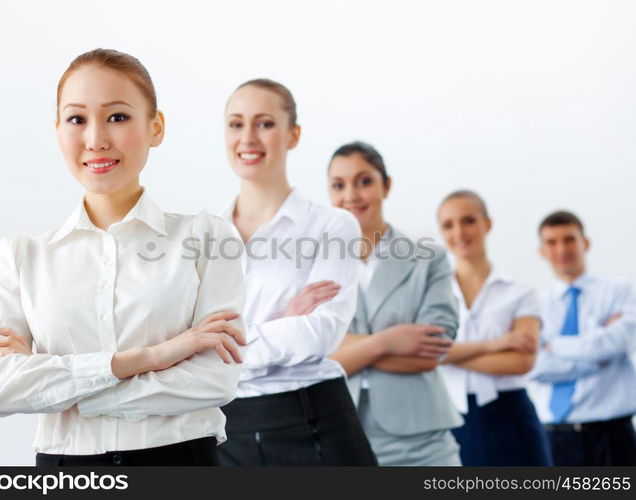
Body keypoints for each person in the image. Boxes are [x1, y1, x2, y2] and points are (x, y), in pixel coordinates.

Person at [0, 48, 247, 466]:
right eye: (77, 119)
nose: (96, 139)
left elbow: (214, 380)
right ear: (58, 129)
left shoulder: (205, 238)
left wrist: (66, 387)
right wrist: (151, 357)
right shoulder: (22, 257)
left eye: (117, 116)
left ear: (156, 127)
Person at [217, 80, 377, 466]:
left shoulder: (332, 225)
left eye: (265, 123)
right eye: (236, 124)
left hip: (313, 419)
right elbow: (181, 341)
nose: (248, 137)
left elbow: (320, 333)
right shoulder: (202, 234)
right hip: (226, 429)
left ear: (294, 134)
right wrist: (281, 324)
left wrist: (222, 347)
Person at [328, 141, 463, 466]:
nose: (351, 195)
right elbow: (308, 355)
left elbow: (433, 349)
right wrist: (390, 341)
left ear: (386, 185)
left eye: (364, 181)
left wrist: (343, 349)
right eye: (338, 185)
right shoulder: (315, 263)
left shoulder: (428, 259)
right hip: (340, 434)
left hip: (421, 445)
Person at [437, 190, 552, 465]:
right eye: (448, 225)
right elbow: (423, 354)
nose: (459, 232)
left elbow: (521, 361)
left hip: (511, 417)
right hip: (450, 419)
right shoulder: (432, 294)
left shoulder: (520, 293)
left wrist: (449, 355)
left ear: (487, 224)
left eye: (468, 221)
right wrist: (496, 344)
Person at [529, 210, 636, 466]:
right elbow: (534, 365)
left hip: (613, 436)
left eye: (569, 239)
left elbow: (620, 341)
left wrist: (552, 345)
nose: (562, 249)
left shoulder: (621, 291)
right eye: (552, 242)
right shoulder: (533, 306)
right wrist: (598, 354)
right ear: (542, 251)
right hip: (556, 438)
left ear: (584, 243)